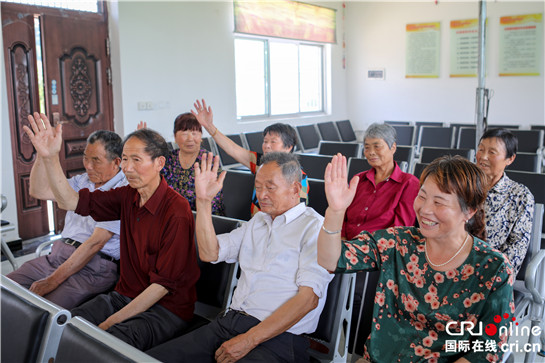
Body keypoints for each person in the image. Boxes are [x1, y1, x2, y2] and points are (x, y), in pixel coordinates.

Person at [22, 114, 200, 351]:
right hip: (124, 295)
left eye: (136, 160)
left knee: (103, 344)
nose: (127, 168)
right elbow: (70, 201)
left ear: (159, 163)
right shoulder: (128, 195)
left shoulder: (176, 209)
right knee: (65, 326)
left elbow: (162, 286)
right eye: (125, 159)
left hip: (166, 308)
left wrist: (108, 323)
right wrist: (49, 156)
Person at [318, 154, 514, 362]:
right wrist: (336, 212)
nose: (425, 209)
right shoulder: (398, 243)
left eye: (439, 202)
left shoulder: (493, 268)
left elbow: (487, 350)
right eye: (422, 196)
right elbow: (330, 260)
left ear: (469, 211)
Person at [146, 152, 333, 363]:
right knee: (149, 359)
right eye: (258, 186)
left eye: (270, 187)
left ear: (295, 189)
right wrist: (204, 202)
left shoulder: (315, 228)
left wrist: (248, 340)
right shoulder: (257, 222)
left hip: (279, 337)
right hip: (229, 323)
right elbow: (210, 253)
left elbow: (308, 300)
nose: (261, 195)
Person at [8, 122, 126, 309]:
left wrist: (52, 281)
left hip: (93, 267)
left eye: (96, 160)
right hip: (57, 256)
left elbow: (94, 244)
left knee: (42, 310)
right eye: (85, 158)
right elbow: (39, 191)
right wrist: (43, 154)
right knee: (6, 289)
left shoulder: (123, 190)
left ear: (117, 162)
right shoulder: (82, 180)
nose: (88, 166)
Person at [343, 122, 420, 352]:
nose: (371, 152)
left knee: (354, 292)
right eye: (366, 147)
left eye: (377, 146)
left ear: (393, 147)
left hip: (377, 257)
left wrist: (358, 250)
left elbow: (400, 230)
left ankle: (358, 348)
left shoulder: (409, 183)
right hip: (346, 249)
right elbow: (342, 217)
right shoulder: (358, 179)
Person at [191, 99, 308, 217]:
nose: (267, 145)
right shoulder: (260, 163)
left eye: (273, 142)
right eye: (265, 141)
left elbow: (297, 213)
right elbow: (232, 148)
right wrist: (209, 126)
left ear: (288, 147)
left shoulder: (298, 176)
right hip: (256, 225)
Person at [476, 128, 535, 275]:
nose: (483, 157)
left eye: (491, 152)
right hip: (451, 266)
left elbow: (516, 249)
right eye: (481, 149)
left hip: (490, 274)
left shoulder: (520, 196)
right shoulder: (463, 185)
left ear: (510, 159)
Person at [159, 113, 224, 214]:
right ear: (175, 137)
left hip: (203, 217)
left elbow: (214, 203)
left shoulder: (209, 161)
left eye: (194, 133)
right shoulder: (168, 159)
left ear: (201, 137)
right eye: (184, 134)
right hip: (171, 216)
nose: (190, 139)